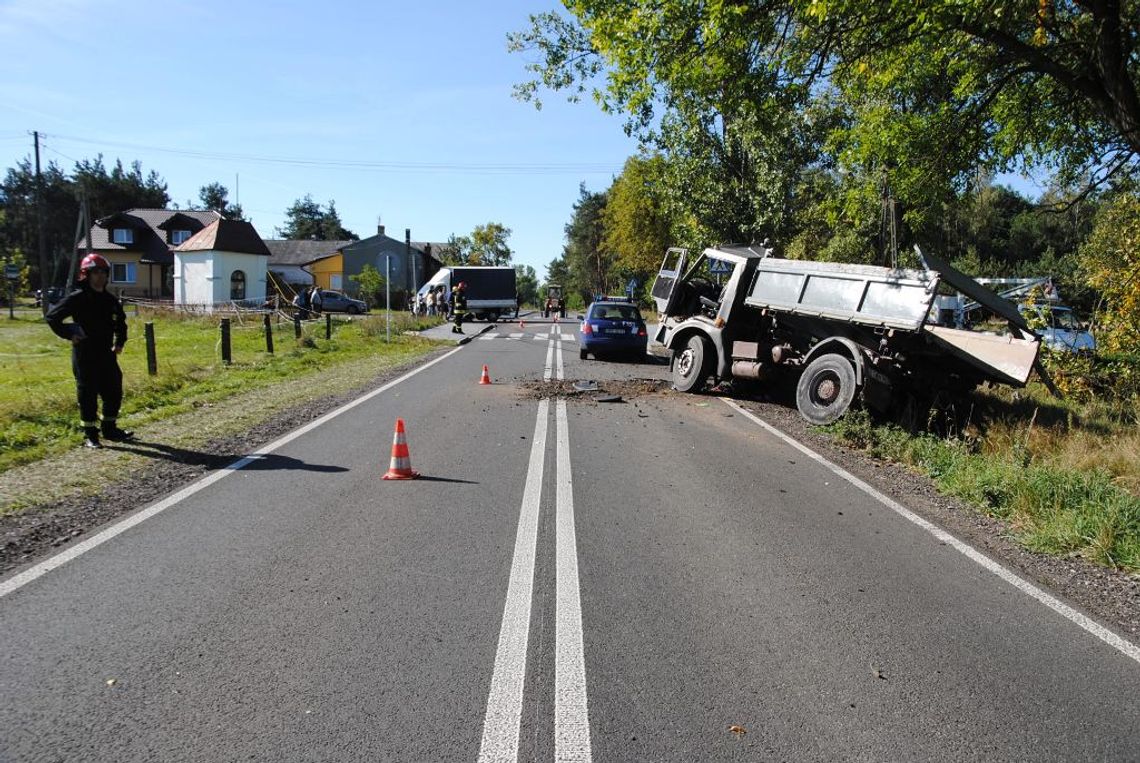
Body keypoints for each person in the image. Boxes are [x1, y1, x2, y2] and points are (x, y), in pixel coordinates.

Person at [46, 253, 134, 449]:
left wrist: (120, 342)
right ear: (86, 274)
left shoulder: (110, 300)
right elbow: (53, 318)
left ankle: (110, 429)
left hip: (106, 354)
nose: (100, 276)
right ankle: (91, 435)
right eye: (95, 272)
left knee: (113, 391)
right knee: (88, 395)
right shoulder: (77, 298)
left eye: (103, 272)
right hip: (85, 355)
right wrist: (69, 334)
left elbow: (121, 323)